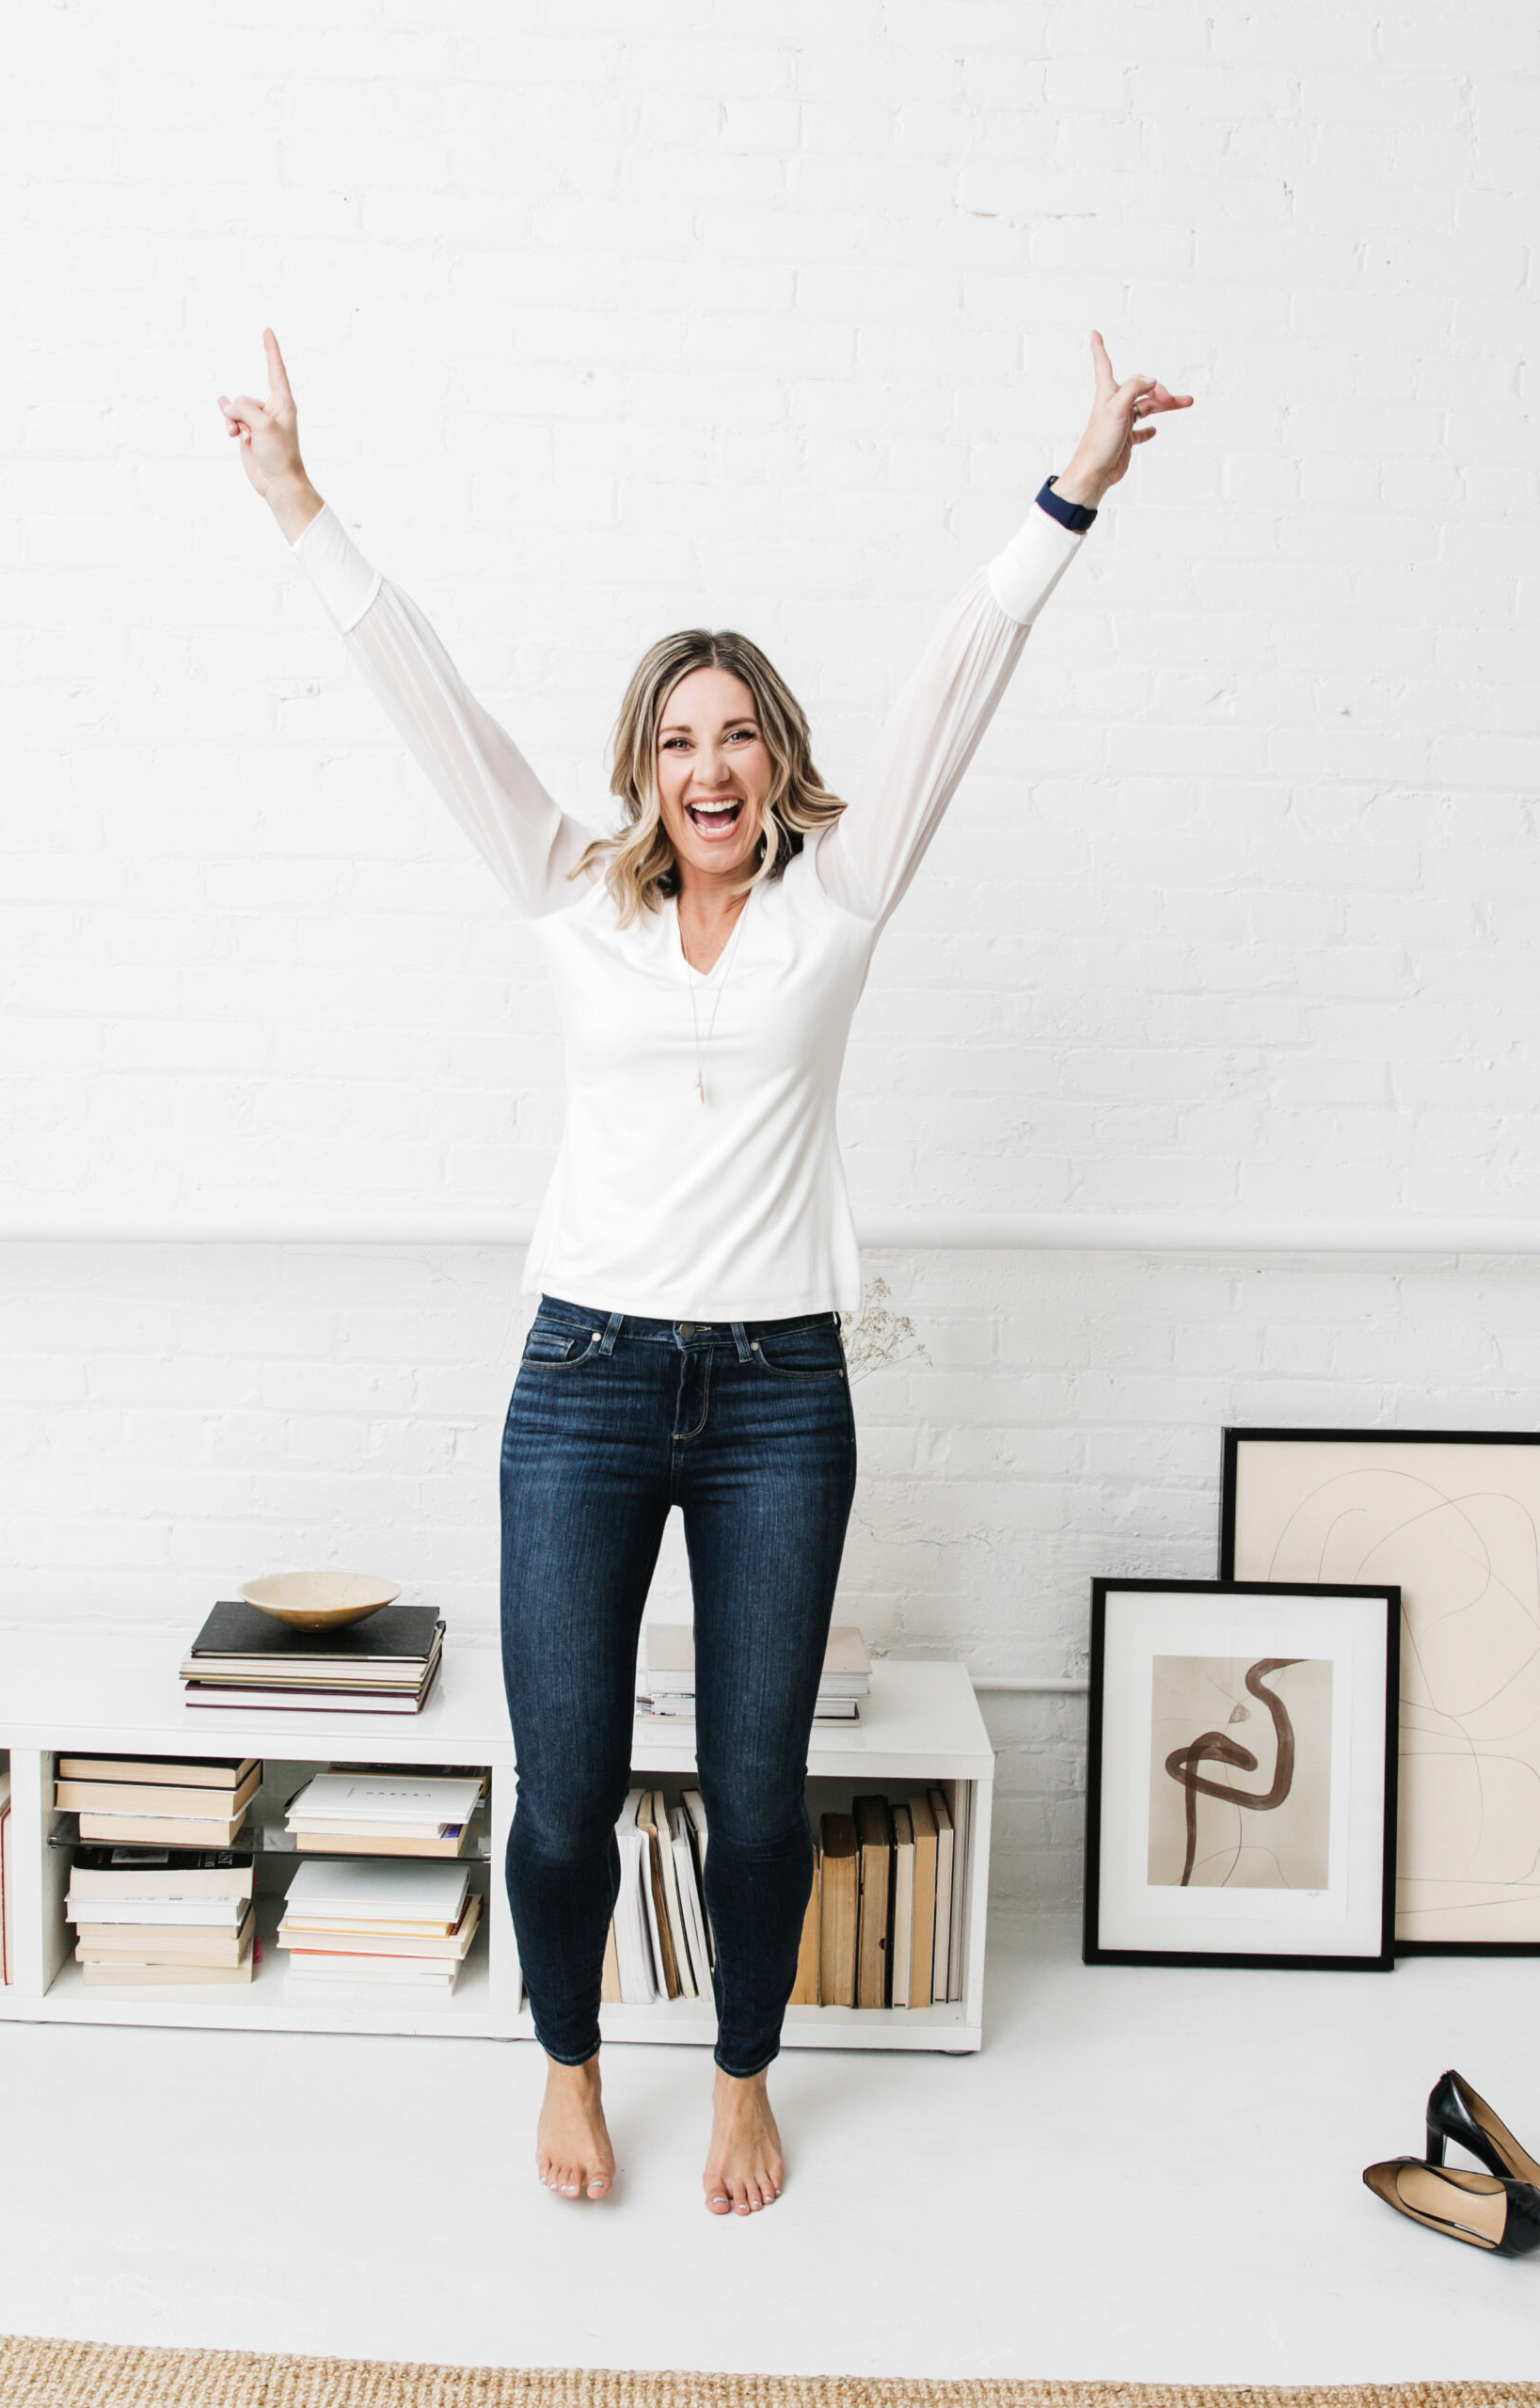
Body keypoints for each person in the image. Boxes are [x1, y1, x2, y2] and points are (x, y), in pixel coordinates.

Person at [219, 326, 1193, 2216]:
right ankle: (572, 2060)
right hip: (579, 1384)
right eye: (676, 736)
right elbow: (435, 712)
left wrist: (1071, 487)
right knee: (568, 1781)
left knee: (756, 1789)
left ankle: (743, 2072)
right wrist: (296, 503)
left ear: (776, 756)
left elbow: (956, 682)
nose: (708, 762)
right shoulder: (573, 901)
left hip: (775, 1400)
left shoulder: (836, 904)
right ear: (642, 773)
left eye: (736, 728)